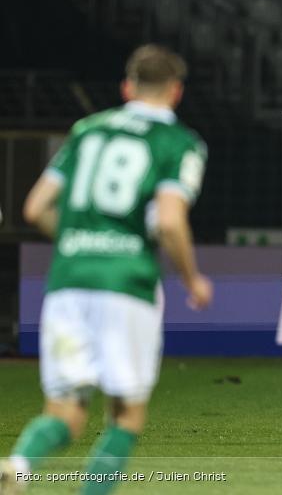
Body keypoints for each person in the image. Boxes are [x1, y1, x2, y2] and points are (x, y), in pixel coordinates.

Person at [0, 45, 212, 494]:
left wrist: (82, 244)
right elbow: (171, 220)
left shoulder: (86, 131)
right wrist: (192, 279)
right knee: (126, 413)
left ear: (126, 87)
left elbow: (35, 207)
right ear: (176, 92)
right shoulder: (179, 143)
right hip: (126, 285)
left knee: (64, 411)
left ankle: (18, 464)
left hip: (68, 281)